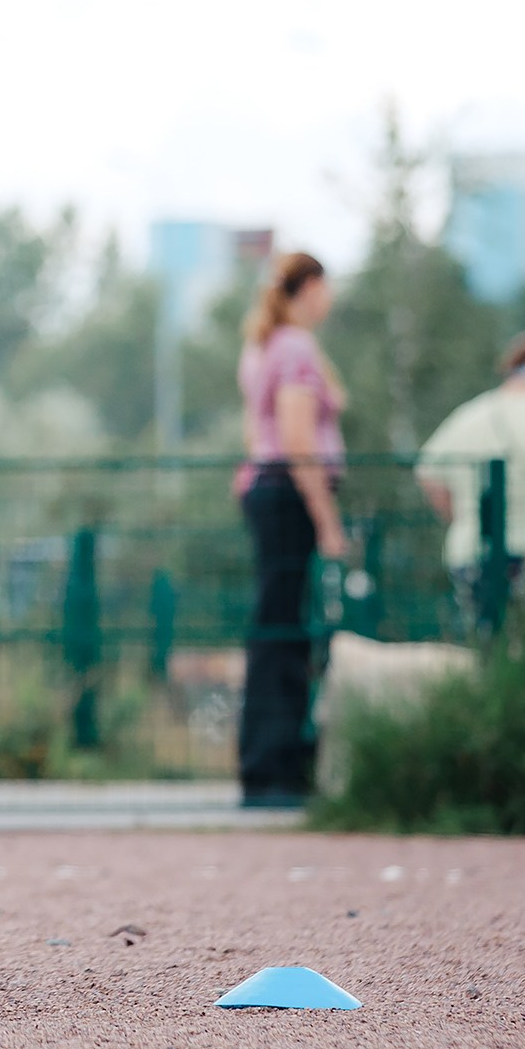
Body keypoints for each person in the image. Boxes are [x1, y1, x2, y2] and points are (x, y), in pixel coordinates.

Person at [234, 251, 346, 809]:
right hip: (289, 494)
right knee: (283, 630)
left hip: (269, 490)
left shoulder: (265, 346)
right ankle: (275, 770)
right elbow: (298, 440)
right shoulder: (295, 348)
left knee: (274, 626)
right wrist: (327, 520)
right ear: (310, 288)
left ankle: (268, 764)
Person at [417, 330, 525, 613]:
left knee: (483, 634)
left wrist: (462, 517)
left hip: (470, 553)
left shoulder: (469, 414)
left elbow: (428, 472)